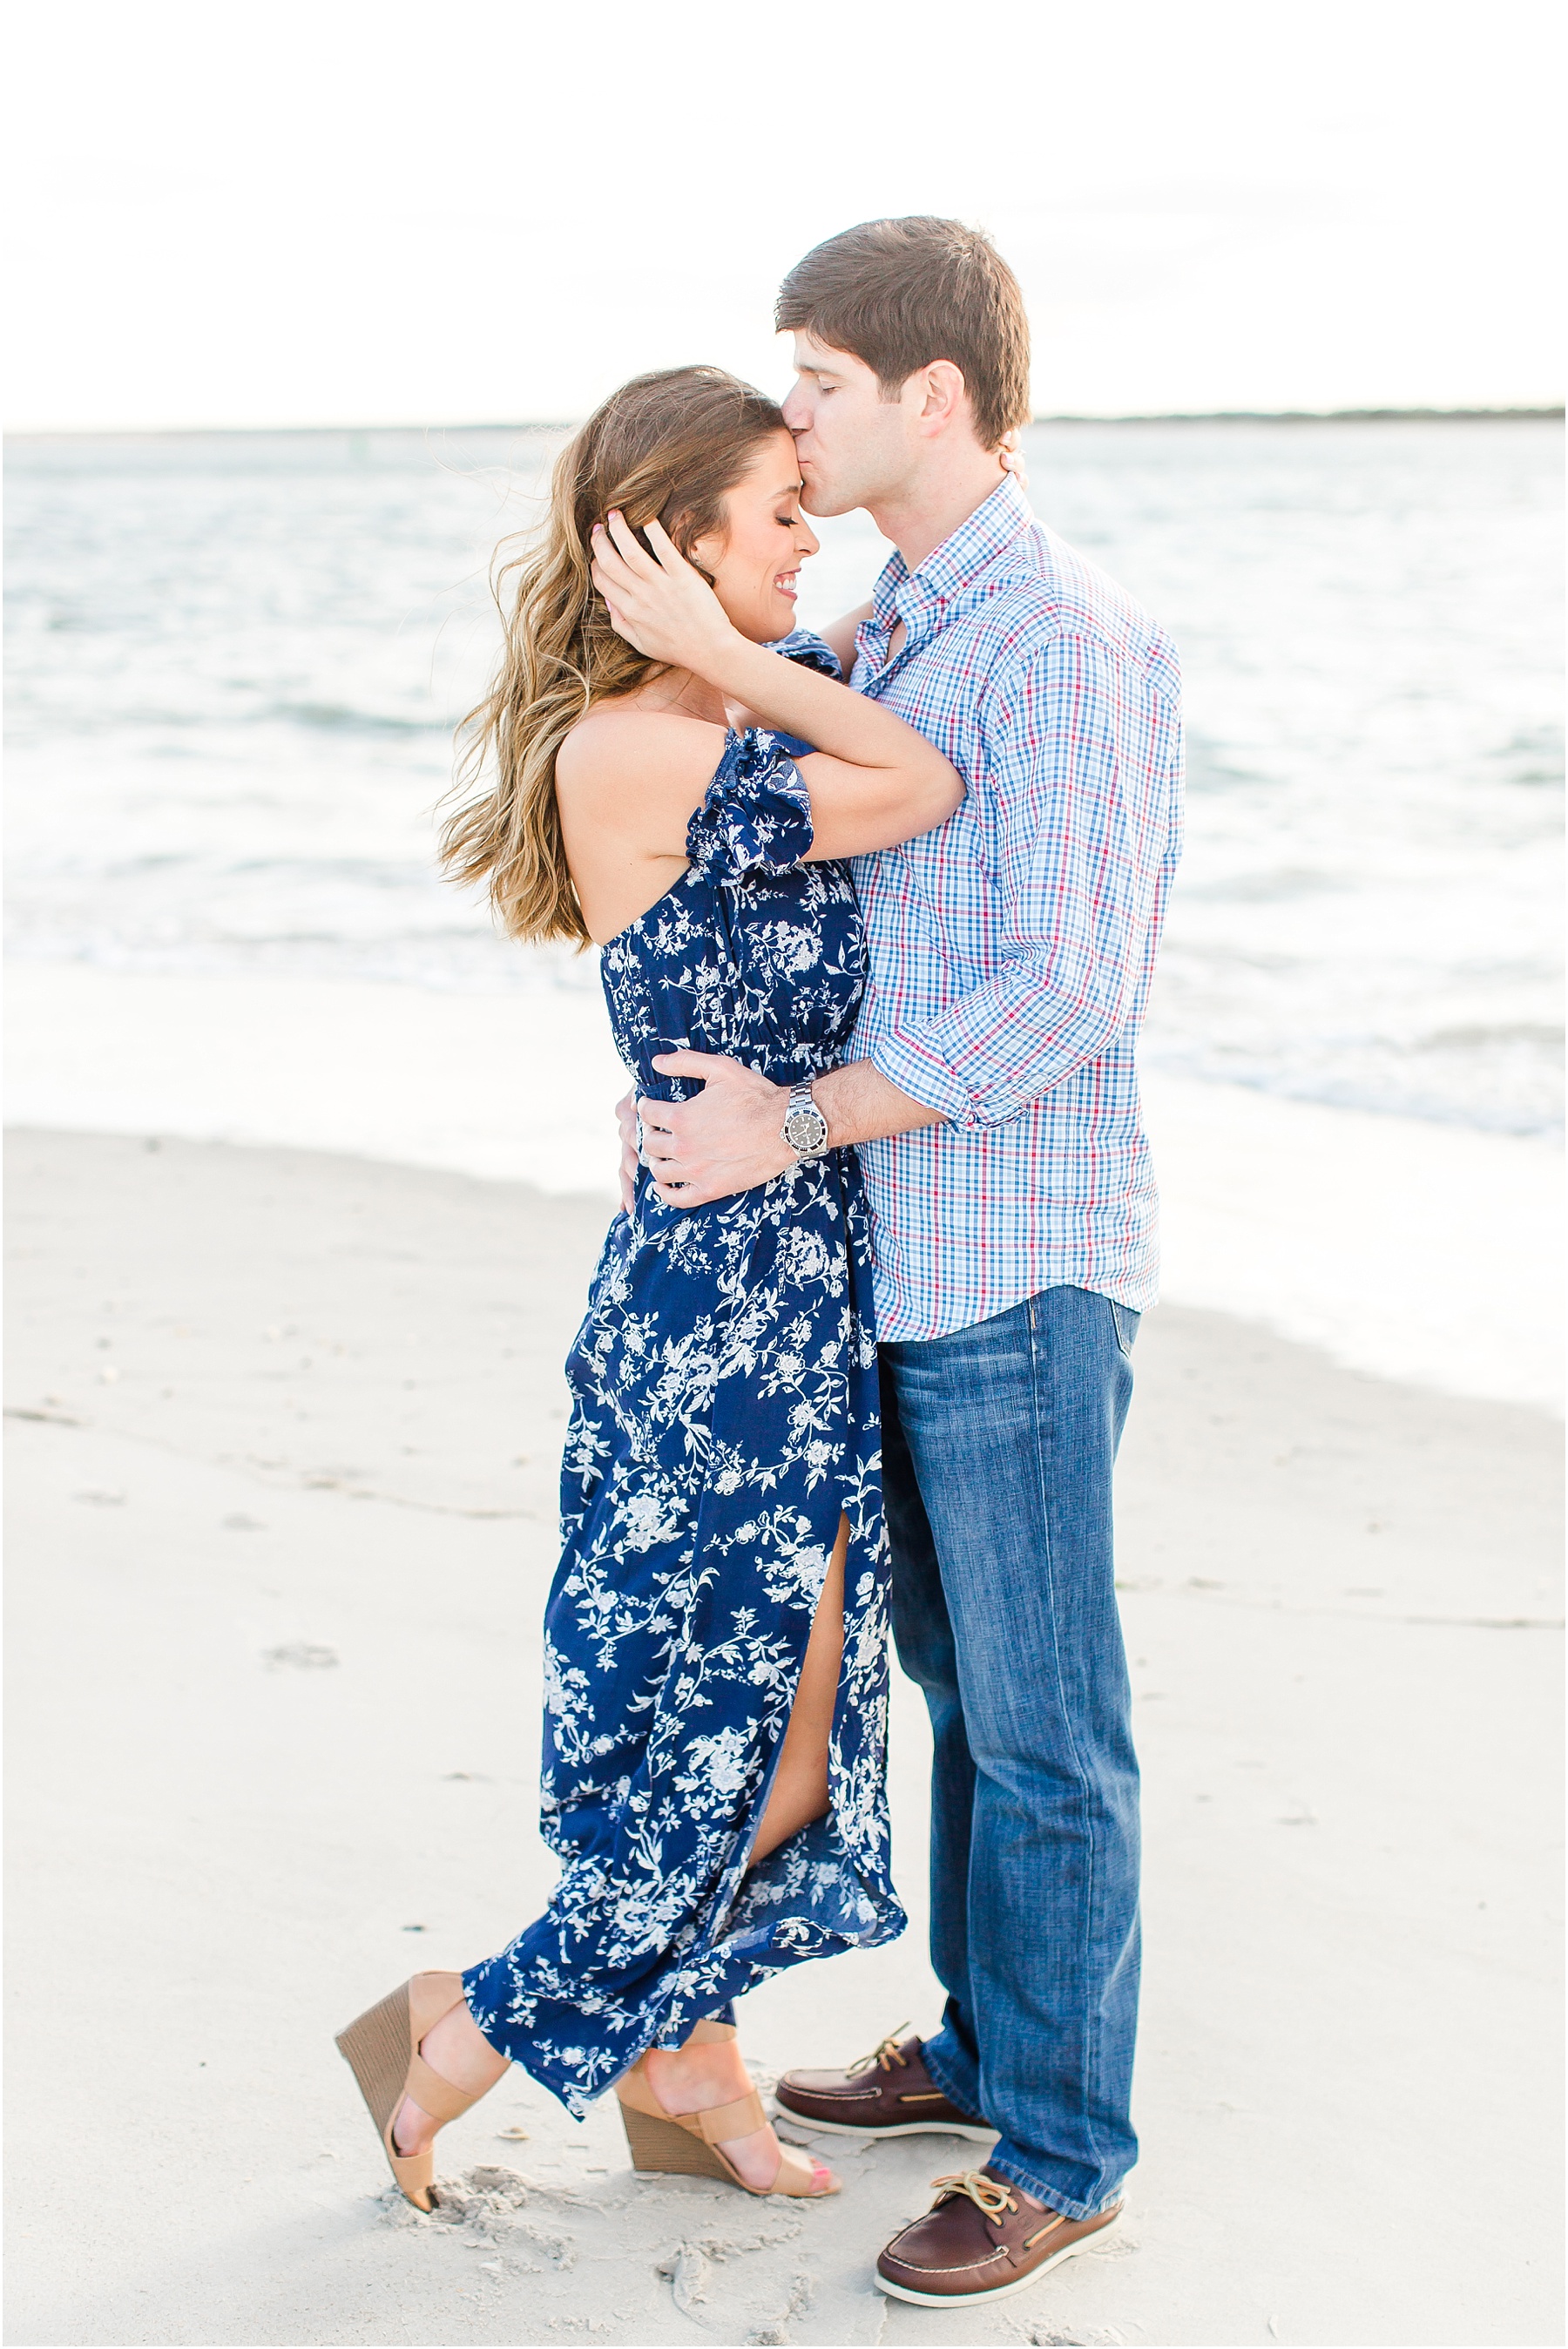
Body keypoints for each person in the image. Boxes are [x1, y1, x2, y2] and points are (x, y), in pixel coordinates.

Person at [612, 218, 1184, 2312]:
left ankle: (1067, 2146)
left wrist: (798, 1118)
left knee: (1047, 1725)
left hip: (1022, 1252)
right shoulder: (904, 618)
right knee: (960, 1693)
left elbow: (1070, 987)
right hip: (902, 1258)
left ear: (930, 396)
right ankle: (979, 2045)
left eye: (822, 385)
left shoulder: (1061, 631)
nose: (797, 417)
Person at [334, 364, 966, 2212]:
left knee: (802, 1730)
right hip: (716, 1302)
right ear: (676, 550)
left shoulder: (746, 699)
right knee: (741, 1743)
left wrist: (757, 632)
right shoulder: (627, 746)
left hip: (795, 1258)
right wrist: (727, 645)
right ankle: (461, 2029)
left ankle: (690, 2058)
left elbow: (885, 688)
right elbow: (915, 780)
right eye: (776, 512)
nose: (810, 536)